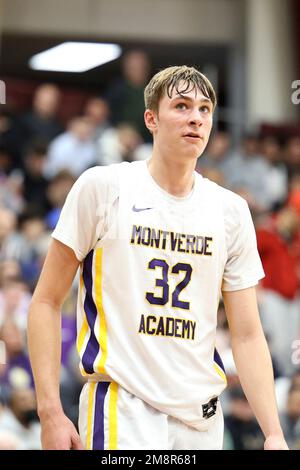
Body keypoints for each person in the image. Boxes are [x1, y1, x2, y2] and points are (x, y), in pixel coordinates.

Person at [27, 65, 288, 450]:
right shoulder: (103, 188)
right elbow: (46, 302)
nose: (195, 118)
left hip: (201, 417)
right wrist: (50, 411)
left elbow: (247, 334)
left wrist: (274, 433)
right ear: (151, 119)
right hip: (122, 407)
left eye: (203, 110)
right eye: (181, 106)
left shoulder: (230, 211)